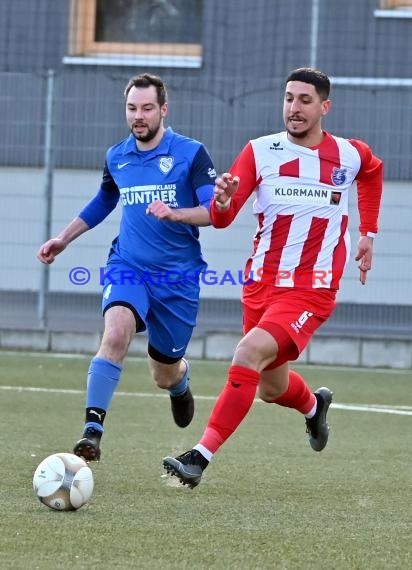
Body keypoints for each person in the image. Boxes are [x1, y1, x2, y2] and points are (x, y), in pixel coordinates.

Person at [163, 67, 383, 488]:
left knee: (246, 353)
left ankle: (199, 457)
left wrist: (368, 233)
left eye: (304, 100)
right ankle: (313, 408)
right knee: (269, 386)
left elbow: (372, 172)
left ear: (324, 107)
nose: (294, 108)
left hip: (311, 289)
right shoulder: (259, 152)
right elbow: (223, 218)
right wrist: (224, 201)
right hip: (261, 286)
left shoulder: (349, 154)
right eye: (288, 98)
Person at [37, 73, 217, 461]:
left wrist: (176, 214)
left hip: (177, 278)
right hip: (128, 265)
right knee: (115, 332)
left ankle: (179, 382)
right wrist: (63, 239)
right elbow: (103, 201)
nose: (138, 116)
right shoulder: (116, 156)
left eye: (147, 108)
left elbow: (213, 213)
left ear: (163, 110)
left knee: (162, 371)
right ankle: (92, 430)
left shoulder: (191, 153)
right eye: (132, 108)